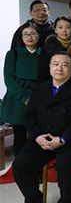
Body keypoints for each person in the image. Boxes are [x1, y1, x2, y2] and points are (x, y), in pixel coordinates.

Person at [10, 52, 71, 203]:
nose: (59, 68)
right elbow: (29, 116)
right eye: (55, 64)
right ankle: (33, 202)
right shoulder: (40, 89)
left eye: (64, 64)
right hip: (44, 138)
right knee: (20, 164)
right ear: (49, 67)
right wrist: (37, 136)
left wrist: (62, 140)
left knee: (64, 162)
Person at [0, 22, 42, 156]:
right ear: (21, 37)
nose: (29, 37)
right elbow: (9, 79)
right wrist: (24, 97)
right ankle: (19, 165)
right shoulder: (13, 54)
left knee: (38, 136)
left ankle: (36, 165)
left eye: (33, 33)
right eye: (26, 34)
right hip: (17, 99)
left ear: (39, 35)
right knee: (19, 136)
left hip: (38, 98)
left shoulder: (44, 54)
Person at [37, 16, 71, 83]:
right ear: (55, 30)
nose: (64, 30)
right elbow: (42, 73)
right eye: (60, 27)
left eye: (68, 27)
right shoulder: (47, 47)